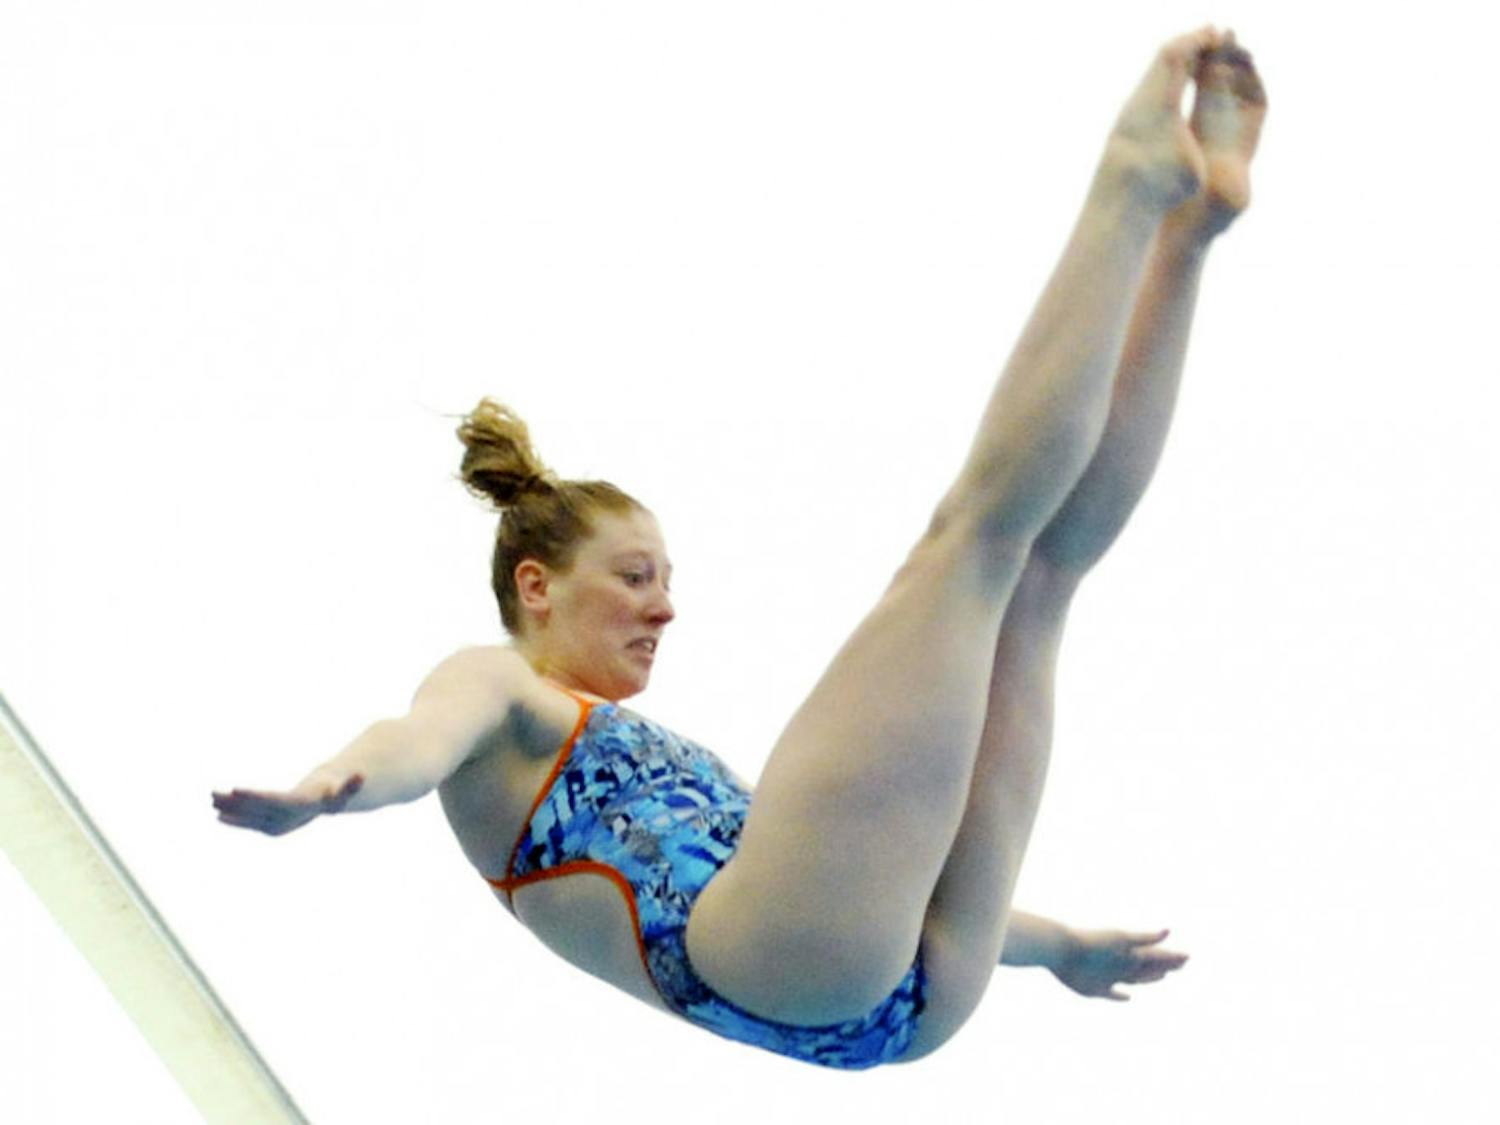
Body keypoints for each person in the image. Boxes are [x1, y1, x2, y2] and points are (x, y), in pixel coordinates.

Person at [214, 26, 1265, 1069]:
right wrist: (327, 786)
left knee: (1042, 578)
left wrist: (1061, 950)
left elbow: (880, 859)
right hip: (785, 962)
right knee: (971, 545)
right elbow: (414, 739)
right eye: (633, 578)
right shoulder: (495, 688)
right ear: (535, 586)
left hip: (904, 985)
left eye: (664, 583)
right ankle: (1130, 189)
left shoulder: (635, 754)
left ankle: (1190, 233)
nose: (664, 610)